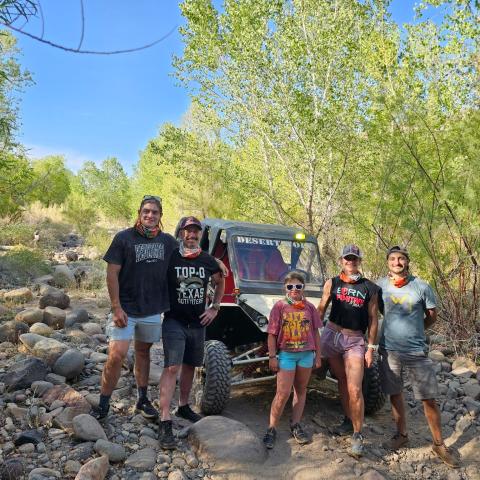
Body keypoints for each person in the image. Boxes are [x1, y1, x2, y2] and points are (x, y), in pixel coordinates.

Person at [92, 195, 177, 421]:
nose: (150, 215)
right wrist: (116, 307)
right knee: (116, 354)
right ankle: (103, 403)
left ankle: (142, 398)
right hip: (125, 308)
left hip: (151, 309)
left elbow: (189, 256)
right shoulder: (124, 238)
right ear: (139, 213)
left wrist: (214, 261)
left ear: (160, 216)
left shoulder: (168, 242)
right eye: (146, 211)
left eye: (155, 212)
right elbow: (112, 274)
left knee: (143, 352)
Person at [377, 245, 460, 468]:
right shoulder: (380, 286)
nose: (397, 262)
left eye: (401, 258)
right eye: (393, 259)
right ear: (388, 262)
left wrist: (417, 330)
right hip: (389, 349)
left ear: (407, 262)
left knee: (428, 398)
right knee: (395, 393)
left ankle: (439, 443)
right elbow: (378, 311)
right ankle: (401, 434)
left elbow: (432, 316)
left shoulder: (421, 286)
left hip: (416, 350)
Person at [158, 216, 225, 449]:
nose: (192, 235)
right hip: (174, 321)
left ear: (200, 235)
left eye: (196, 231)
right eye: (187, 231)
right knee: (172, 367)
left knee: (190, 365)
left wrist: (215, 308)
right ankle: (165, 418)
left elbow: (220, 281)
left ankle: (184, 406)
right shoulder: (170, 256)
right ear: (181, 233)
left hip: (198, 323)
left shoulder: (207, 260)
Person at [317, 245, 379, 458]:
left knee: (355, 388)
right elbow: (321, 308)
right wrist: (312, 334)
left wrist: (371, 347)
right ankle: (347, 419)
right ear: (341, 260)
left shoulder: (370, 288)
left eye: (354, 258)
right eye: (347, 258)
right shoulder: (332, 282)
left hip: (354, 340)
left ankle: (358, 434)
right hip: (331, 335)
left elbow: (373, 319)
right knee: (341, 381)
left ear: (359, 261)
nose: (350, 261)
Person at [263, 271, 322, 449]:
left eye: (298, 286)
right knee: (282, 393)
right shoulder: (279, 307)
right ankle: (271, 428)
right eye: (290, 286)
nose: (294, 289)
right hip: (287, 355)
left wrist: (318, 356)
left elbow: (316, 334)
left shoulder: (310, 308)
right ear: (285, 288)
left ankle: (295, 425)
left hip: (305, 355)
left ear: (303, 287)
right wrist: (272, 357)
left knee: (301, 390)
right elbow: (271, 335)